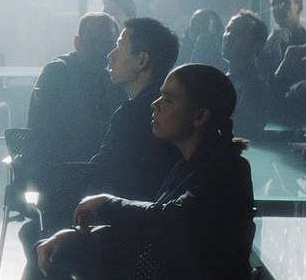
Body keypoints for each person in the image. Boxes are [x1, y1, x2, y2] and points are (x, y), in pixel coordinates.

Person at [32, 64, 255, 280]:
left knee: (56, 253)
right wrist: (75, 236)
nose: (154, 104)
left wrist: (106, 204)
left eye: (168, 100)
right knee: (57, 249)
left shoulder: (226, 171)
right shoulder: (190, 163)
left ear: (200, 117)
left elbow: (172, 220)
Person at [91, 17, 181, 201]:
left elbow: (103, 172)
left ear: (142, 60)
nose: (111, 55)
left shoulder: (132, 114)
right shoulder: (178, 109)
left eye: (120, 47)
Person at [28, 12, 127, 166]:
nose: (99, 49)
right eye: (92, 41)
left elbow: (122, 121)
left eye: (106, 44)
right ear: (77, 42)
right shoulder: (57, 72)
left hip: (94, 163)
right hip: (56, 165)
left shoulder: (110, 79)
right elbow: (68, 129)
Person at [222, 10, 273, 140]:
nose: (229, 35)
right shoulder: (220, 80)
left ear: (257, 43)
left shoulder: (258, 87)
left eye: (237, 33)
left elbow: (246, 131)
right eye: (228, 30)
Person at [258, 0, 306, 85]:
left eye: (285, 2)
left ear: (299, 7)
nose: (278, 7)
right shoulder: (269, 44)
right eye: (274, 3)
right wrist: (265, 49)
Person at [176, 8, 228, 72]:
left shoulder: (224, 54)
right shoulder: (179, 51)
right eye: (194, 21)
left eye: (203, 23)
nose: (196, 26)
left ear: (216, 28)